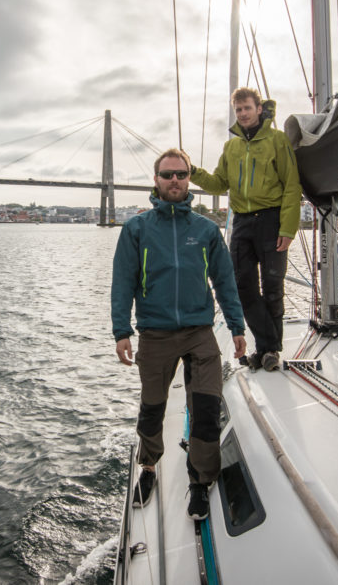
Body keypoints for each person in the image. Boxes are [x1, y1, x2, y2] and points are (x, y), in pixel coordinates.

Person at [111, 148, 247, 521]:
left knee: (205, 409)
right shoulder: (136, 229)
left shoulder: (205, 230)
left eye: (181, 174)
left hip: (199, 332)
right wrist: (121, 331)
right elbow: (122, 283)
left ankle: (200, 481)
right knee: (152, 409)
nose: (175, 180)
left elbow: (225, 281)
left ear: (189, 180)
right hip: (154, 334)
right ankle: (149, 467)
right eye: (168, 175)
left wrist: (236, 326)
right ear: (155, 180)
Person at [190, 88, 302, 372]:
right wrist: (192, 171)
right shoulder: (232, 147)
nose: (242, 114)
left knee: (273, 287)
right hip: (241, 222)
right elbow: (218, 184)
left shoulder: (277, 140)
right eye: (238, 110)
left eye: (247, 108)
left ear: (259, 109)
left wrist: (288, 228)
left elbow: (291, 185)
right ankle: (269, 345)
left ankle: (268, 351)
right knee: (242, 287)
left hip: (271, 220)